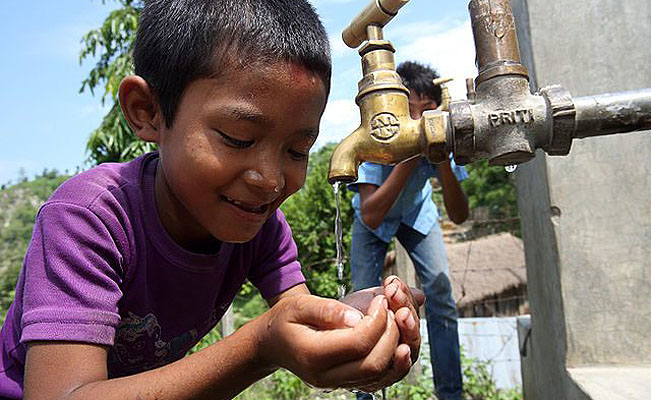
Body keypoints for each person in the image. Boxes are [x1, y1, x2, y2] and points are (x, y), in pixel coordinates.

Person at [0, 1, 424, 398]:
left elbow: (297, 313)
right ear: (147, 110)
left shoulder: (260, 226)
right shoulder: (89, 219)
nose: (269, 179)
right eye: (238, 139)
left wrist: (356, 320)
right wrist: (259, 347)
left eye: (297, 151)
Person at [349, 61, 469, 400]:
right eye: (409, 112)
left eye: (426, 112)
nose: (417, 122)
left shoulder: (441, 139)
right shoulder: (377, 138)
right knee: (365, 307)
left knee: (441, 297)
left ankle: (451, 394)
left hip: (418, 215)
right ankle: (367, 395)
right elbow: (371, 215)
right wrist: (410, 157)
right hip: (373, 223)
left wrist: (440, 156)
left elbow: (459, 215)